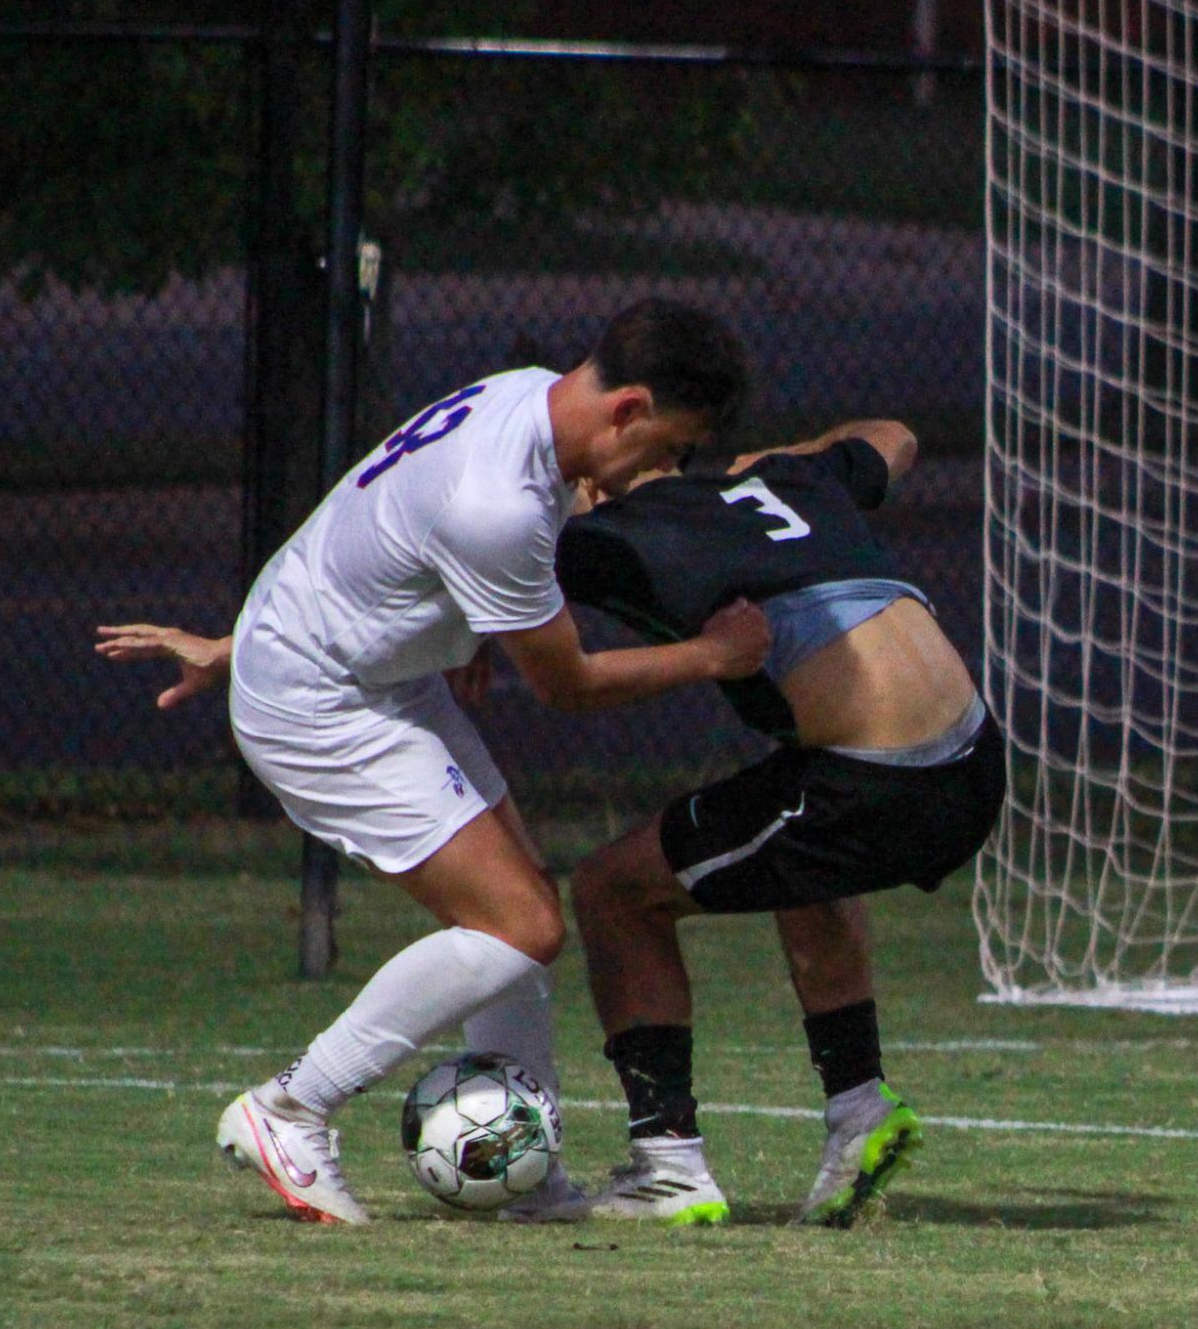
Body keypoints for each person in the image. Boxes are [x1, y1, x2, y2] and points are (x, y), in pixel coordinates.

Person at [96, 299, 765, 1228]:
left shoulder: (520, 395)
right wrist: (713, 656)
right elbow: (568, 685)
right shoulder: (499, 504)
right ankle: (290, 1108)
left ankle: (522, 1179)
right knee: (521, 924)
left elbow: (369, 516)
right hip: (320, 703)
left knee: (515, 914)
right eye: (666, 448)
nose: (661, 473)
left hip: (369, 675)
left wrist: (253, 637)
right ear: (629, 408)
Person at [557, 415, 1004, 1229]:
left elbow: (482, 577)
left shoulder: (614, 536)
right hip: (975, 760)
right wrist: (797, 457)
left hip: (876, 786)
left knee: (612, 891)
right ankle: (860, 1106)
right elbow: (899, 435)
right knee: (800, 855)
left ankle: (667, 1167)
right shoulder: (793, 483)